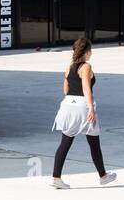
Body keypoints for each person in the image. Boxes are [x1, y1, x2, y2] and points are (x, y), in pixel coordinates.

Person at [49, 37, 117, 189]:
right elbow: (86, 88)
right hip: (82, 107)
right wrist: (91, 107)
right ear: (88, 52)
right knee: (94, 143)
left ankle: (56, 177)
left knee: (65, 142)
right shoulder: (86, 67)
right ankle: (103, 176)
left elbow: (65, 90)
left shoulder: (69, 67)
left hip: (67, 106)